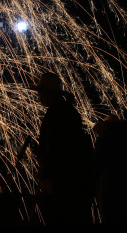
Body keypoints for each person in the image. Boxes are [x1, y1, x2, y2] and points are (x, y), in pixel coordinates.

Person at [29, 72, 94, 225]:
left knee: (60, 219)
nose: (38, 96)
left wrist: (47, 178)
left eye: (41, 92)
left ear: (48, 94)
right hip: (74, 184)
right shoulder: (69, 111)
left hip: (61, 185)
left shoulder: (55, 115)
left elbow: (55, 151)